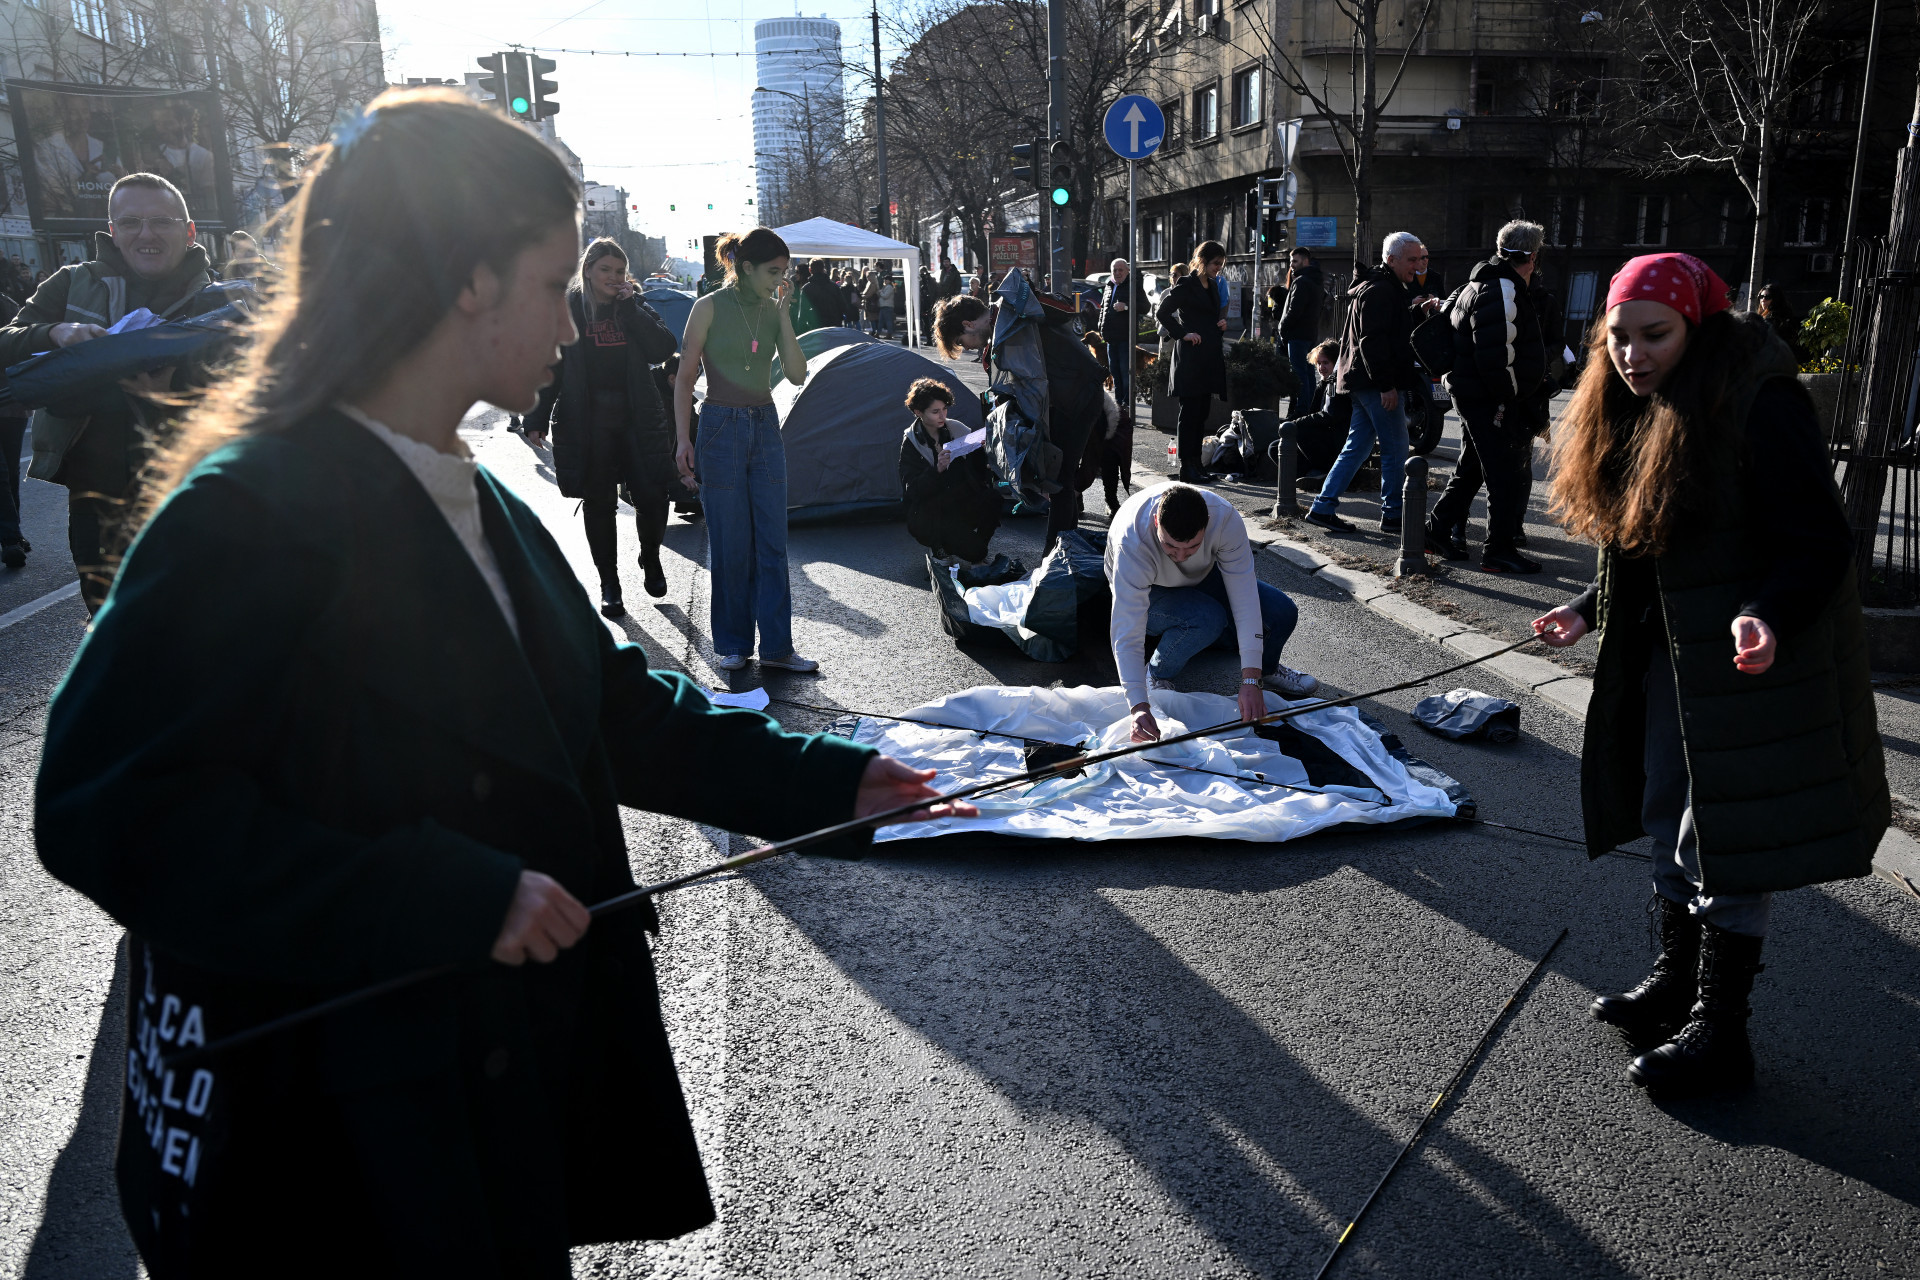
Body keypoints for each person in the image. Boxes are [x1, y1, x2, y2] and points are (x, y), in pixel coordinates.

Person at [31, 87, 974, 1278]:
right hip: (329, 1153)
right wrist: (440, 892)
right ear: (470, 282)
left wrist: (845, 781)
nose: (574, 328)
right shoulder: (249, 508)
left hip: (466, 1111)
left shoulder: (475, 492)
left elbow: (618, 705)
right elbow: (102, 808)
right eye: (549, 289)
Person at [1531, 251, 1884, 1094]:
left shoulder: (1760, 402)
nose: (1633, 354)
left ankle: (1722, 1032)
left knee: (1722, 838)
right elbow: (1651, 538)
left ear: (1698, 324)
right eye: (1618, 337)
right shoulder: (1635, 402)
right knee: (1665, 812)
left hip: (1744, 662)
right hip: (1666, 653)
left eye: (1654, 335)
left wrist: (1766, 611)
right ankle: (1677, 983)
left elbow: (1819, 543)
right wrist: (1589, 605)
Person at [0, 171, 224, 612]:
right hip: (98, 498)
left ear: (189, 229)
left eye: (162, 221)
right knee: (110, 625)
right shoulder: (71, 282)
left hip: (197, 493)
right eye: (131, 223)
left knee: (200, 629)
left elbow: (263, 397)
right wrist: (56, 333)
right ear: (112, 233)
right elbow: (6, 340)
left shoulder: (219, 300)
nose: (147, 234)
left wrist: (175, 395)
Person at [674, 227, 818, 673]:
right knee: (731, 543)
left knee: (773, 543)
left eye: (785, 273)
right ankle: (734, 643)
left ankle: (778, 649)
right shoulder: (708, 306)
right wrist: (683, 439)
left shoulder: (773, 311)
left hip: (765, 426)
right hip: (719, 427)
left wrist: (787, 315)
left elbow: (796, 375)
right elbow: (683, 378)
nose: (780, 280)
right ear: (746, 267)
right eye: (773, 272)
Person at [523, 237, 679, 617]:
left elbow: (663, 349)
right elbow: (552, 366)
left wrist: (629, 307)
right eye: (605, 269)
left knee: (653, 495)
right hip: (588, 421)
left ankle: (651, 557)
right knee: (598, 503)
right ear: (588, 270)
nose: (613, 277)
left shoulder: (634, 304)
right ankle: (609, 583)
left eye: (620, 271)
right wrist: (536, 415)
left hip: (637, 418)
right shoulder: (569, 310)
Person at [1107, 483, 1318, 746]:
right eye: (1170, 547)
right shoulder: (1133, 540)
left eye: (1192, 546)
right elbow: (1128, 628)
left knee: (1281, 611)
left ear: (1207, 524)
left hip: (1203, 575)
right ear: (1155, 521)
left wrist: (1251, 678)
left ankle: (1267, 669)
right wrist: (1138, 705)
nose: (1180, 557)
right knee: (1207, 618)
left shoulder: (1225, 518)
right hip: (1151, 588)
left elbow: (1245, 596)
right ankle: (1158, 673)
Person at [1424, 220, 1552, 574]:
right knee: (1503, 473)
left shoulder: (1482, 281)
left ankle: (1435, 532)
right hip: (1488, 397)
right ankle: (1498, 550)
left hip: (1473, 393)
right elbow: (1494, 356)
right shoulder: (1503, 289)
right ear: (1531, 256)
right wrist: (1510, 397)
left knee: (1473, 468)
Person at [932, 290, 1107, 548]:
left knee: (1060, 481)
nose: (967, 347)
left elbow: (1066, 310)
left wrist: (1028, 293)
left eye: (961, 340)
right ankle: (1064, 552)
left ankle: (1055, 555)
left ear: (968, 324)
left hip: (1080, 395)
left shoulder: (1014, 310)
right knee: (1060, 480)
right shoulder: (1000, 330)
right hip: (1063, 400)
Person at [1303, 231, 1441, 535]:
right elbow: (1372, 341)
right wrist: (1385, 385)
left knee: (1357, 447)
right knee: (1396, 447)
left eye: (1421, 259)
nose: (1419, 266)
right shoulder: (1382, 290)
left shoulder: (1381, 286)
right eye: (1412, 259)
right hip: (1375, 382)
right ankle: (1393, 515)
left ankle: (1323, 508)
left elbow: (1382, 329)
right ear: (1391, 260)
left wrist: (1417, 310)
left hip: (1364, 380)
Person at [898, 377, 999, 565]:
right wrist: (937, 470)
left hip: (959, 503)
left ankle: (976, 546)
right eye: (935, 412)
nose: (943, 416)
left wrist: (985, 454)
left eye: (945, 409)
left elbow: (979, 473)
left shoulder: (957, 429)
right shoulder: (912, 442)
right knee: (971, 552)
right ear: (919, 412)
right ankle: (938, 546)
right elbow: (912, 490)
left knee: (993, 499)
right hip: (930, 511)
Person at [1155, 241, 1231, 484]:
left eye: (1221, 264)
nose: (1218, 268)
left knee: (1201, 413)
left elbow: (1208, 317)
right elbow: (1162, 312)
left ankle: (1197, 464)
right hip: (1190, 357)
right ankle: (1186, 467)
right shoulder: (1187, 283)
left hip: (1207, 356)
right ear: (1202, 261)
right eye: (1215, 263)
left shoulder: (1214, 286)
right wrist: (1183, 333)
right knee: (1189, 414)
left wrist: (1220, 326)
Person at [1284, 339, 1350, 483]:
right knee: (1276, 447)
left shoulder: (1335, 383)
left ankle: (1323, 472)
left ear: (1335, 362)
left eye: (1325, 363)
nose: (1321, 367)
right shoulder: (1325, 382)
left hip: (1334, 443)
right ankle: (1308, 473)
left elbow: (1328, 415)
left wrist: (1295, 423)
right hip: (1322, 438)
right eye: (1319, 363)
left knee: (1299, 431)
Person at [0, 287, 29, 568]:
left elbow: (22, 346)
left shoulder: (8, 306)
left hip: (10, 401)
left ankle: (13, 534)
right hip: (12, 401)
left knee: (9, 471)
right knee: (2, 472)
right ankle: (10, 538)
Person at [1278, 247, 1324, 416]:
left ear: (1305, 261)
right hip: (1310, 334)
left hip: (1297, 335)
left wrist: (1283, 328)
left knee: (1299, 374)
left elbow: (1294, 311)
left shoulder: (1302, 281)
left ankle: (1302, 409)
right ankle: (1310, 408)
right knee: (1308, 373)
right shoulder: (1315, 281)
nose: (1292, 266)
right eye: (1291, 262)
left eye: (1295, 261)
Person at [1099, 257, 1136, 412]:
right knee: (1115, 373)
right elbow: (1103, 309)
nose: (1117, 272)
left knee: (1125, 373)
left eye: (1121, 270)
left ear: (1127, 271)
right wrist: (1100, 327)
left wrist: (1126, 307)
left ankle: (1127, 404)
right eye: (1114, 270)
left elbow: (1145, 306)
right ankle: (1119, 403)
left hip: (1125, 338)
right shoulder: (1109, 285)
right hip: (1110, 338)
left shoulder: (1133, 285)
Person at [1754, 283, 1805, 363]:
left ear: (1775, 299)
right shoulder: (1778, 316)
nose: (1763, 300)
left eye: (1767, 297)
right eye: (1761, 296)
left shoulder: (1773, 319)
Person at [798, 258, 844, 331]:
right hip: (834, 327)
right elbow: (843, 307)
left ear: (810, 270)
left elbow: (802, 313)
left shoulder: (806, 289)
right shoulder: (834, 287)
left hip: (816, 328)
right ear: (823, 269)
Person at [861, 268, 881, 336]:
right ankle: (874, 330)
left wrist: (862, 296)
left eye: (868, 276)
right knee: (872, 318)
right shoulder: (869, 283)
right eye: (867, 276)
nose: (867, 277)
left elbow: (870, 294)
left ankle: (874, 330)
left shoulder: (873, 284)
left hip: (872, 303)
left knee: (872, 318)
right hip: (870, 303)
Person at [878, 272, 897, 341]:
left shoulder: (889, 287)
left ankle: (889, 334)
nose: (884, 281)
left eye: (886, 280)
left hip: (887, 306)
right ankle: (878, 333)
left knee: (888, 321)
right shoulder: (886, 287)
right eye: (884, 280)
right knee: (881, 321)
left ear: (889, 280)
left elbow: (885, 296)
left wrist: (880, 292)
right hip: (884, 306)